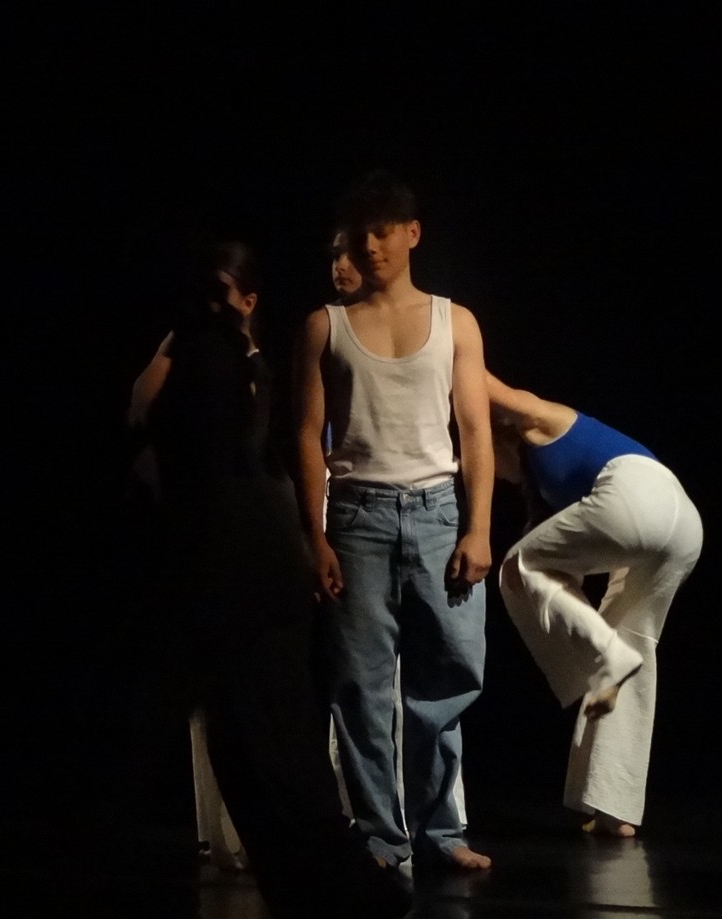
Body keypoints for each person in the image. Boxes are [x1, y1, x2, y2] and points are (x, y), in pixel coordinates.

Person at [129, 241, 411, 919]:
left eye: (219, 294)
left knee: (274, 742)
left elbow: (160, 426)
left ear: (247, 301)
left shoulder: (231, 363)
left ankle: (342, 885)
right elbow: (148, 427)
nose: (206, 306)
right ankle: (316, 885)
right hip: (229, 567)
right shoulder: (205, 352)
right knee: (245, 742)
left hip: (250, 567)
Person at [295, 170, 494, 871]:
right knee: (361, 684)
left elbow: (475, 431)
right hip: (358, 516)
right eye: (361, 235)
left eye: (383, 232)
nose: (371, 246)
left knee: (448, 674)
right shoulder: (325, 324)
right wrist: (316, 534)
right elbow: (307, 435)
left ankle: (440, 830)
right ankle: (383, 836)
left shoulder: (454, 320)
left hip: (437, 512)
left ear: (412, 234)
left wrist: (478, 527)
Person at [485, 371, 704, 839]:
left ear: (496, 435)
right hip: (684, 523)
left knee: (517, 567)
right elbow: (562, 588)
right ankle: (613, 808)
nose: (491, 473)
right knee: (630, 643)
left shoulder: (537, 419)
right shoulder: (548, 492)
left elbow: (483, 384)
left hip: (637, 496)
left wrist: (443, 347)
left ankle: (607, 655)